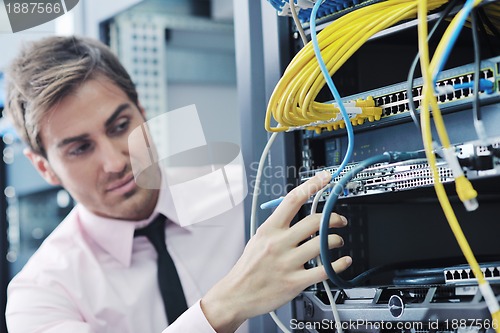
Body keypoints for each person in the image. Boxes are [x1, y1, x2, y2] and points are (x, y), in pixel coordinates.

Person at [3, 36, 352, 333]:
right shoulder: (41, 294)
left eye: (120, 126)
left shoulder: (246, 193)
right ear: (44, 168)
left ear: (142, 111)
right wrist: (223, 306)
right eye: (80, 148)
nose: (115, 162)